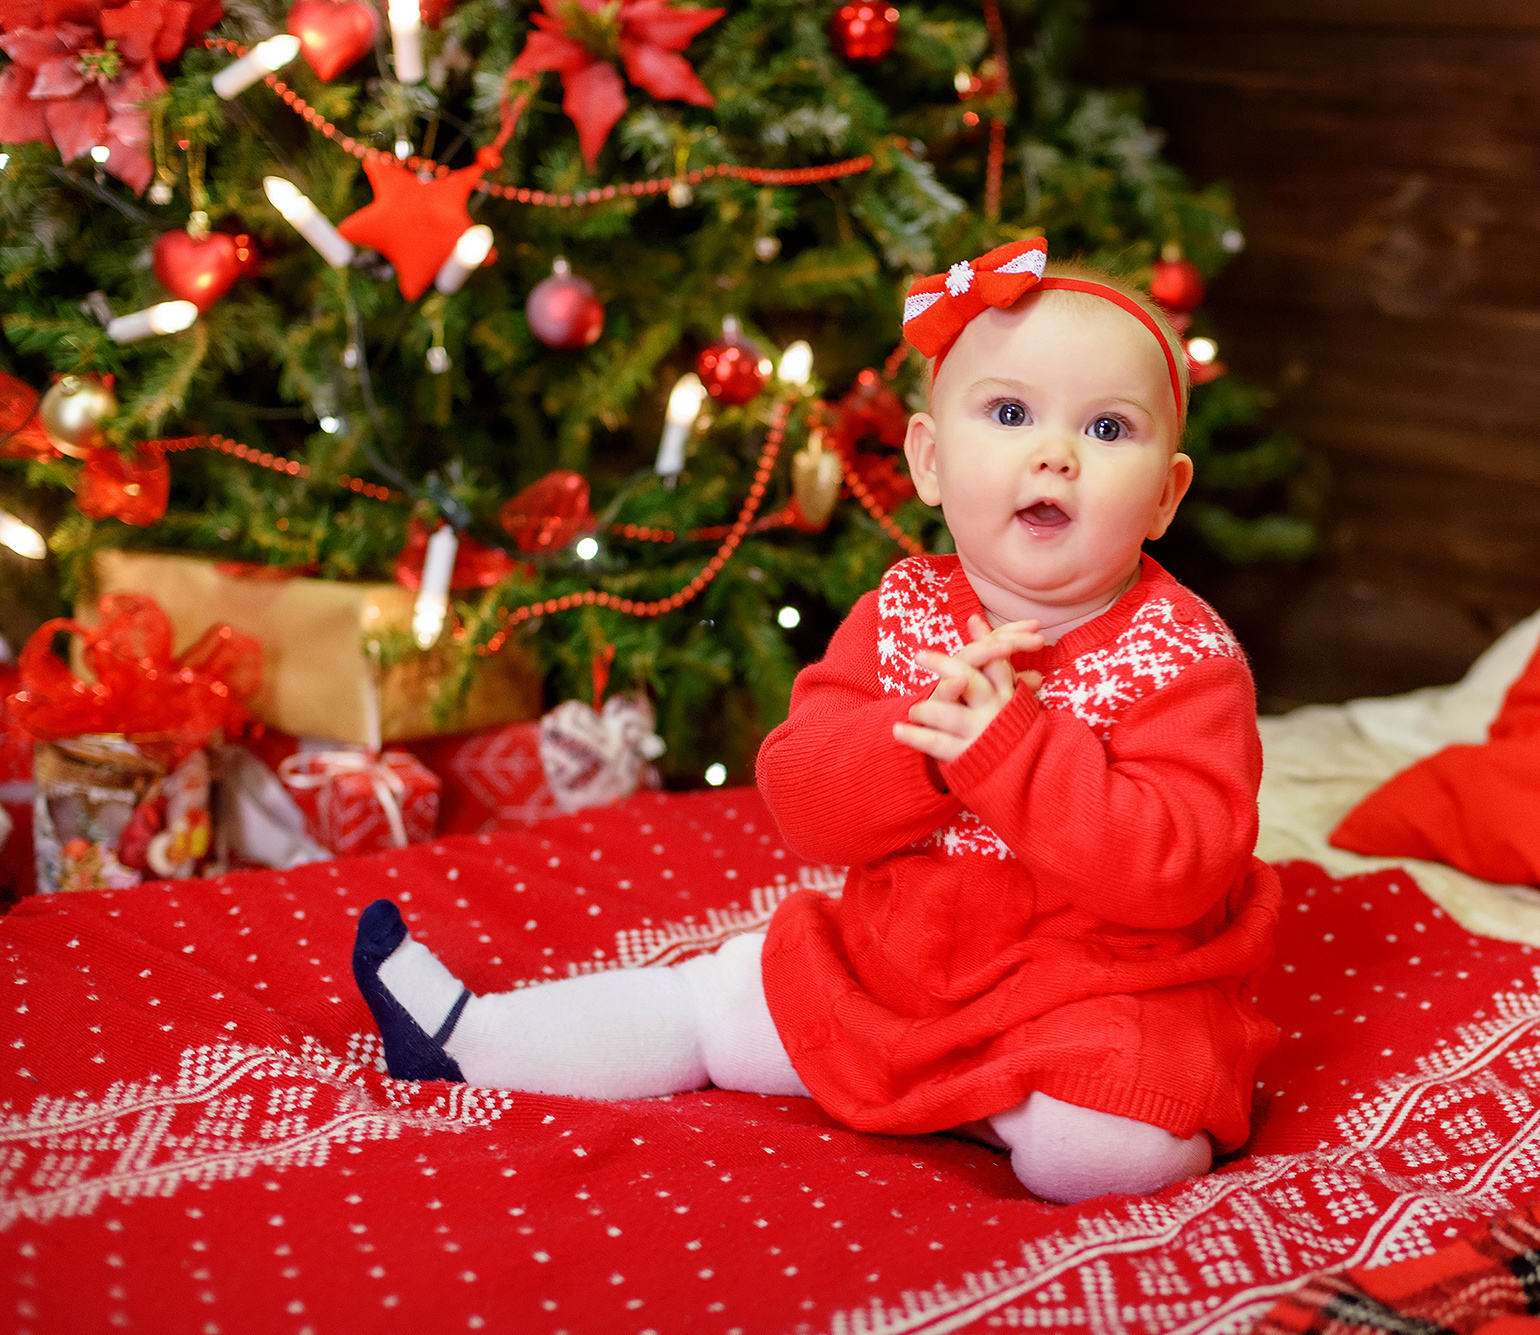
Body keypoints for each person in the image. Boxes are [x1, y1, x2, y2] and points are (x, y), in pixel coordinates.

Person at [351, 237, 1282, 1204]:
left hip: (1097, 991)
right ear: (928, 459)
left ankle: (1011, 1102)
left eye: (1107, 428)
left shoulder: (1185, 658)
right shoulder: (901, 614)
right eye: (1010, 412)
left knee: (1106, 1153)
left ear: (1166, 494)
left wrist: (1015, 753)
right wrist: (922, 747)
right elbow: (801, 800)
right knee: (716, 1004)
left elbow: (1179, 867)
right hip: (895, 971)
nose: (1055, 452)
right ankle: (471, 1036)